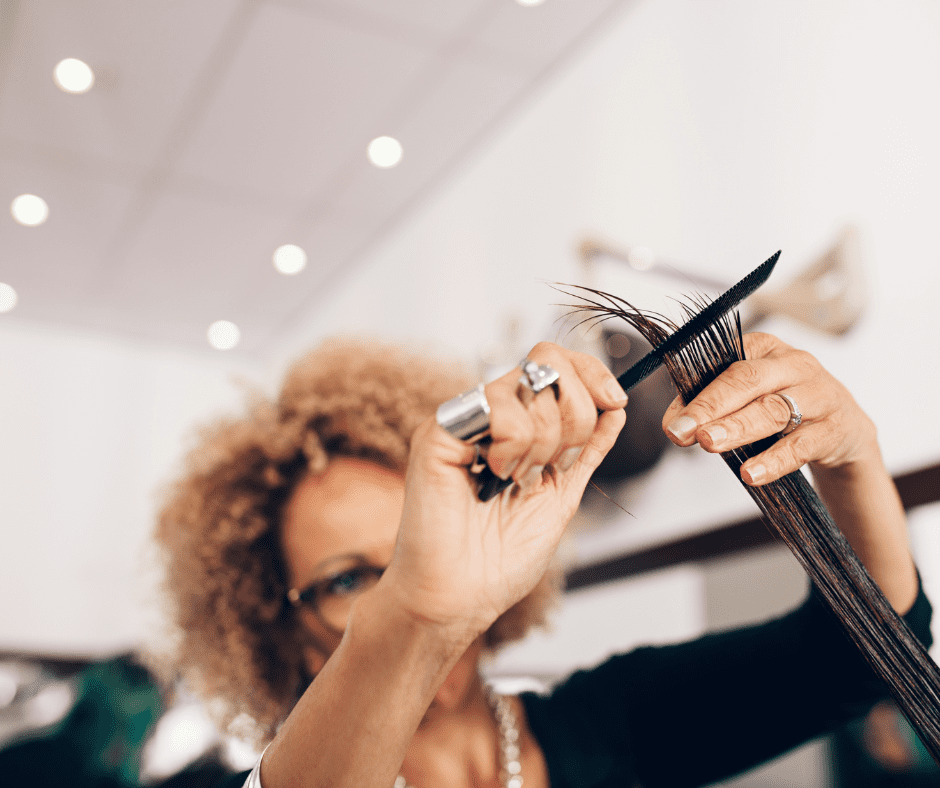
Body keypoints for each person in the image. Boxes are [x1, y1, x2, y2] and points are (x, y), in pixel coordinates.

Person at [154, 334, 932, 788]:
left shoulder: (608, 723)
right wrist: (418, 614)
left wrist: (852, 459)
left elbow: (858, 659)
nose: (410, 575)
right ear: (272, 623)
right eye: (350, 579)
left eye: (412, 543)